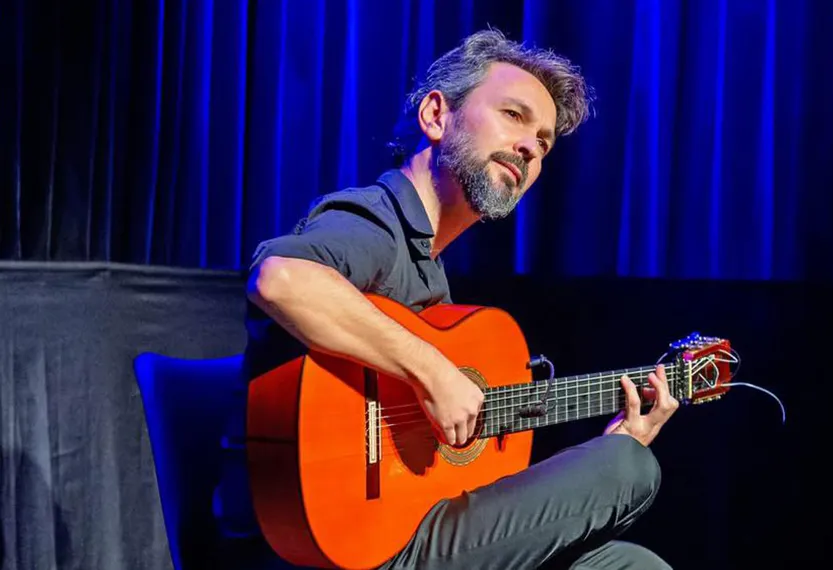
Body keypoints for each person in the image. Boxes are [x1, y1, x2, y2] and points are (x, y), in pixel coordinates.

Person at [215, 28, 678, 570]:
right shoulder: (377, 222)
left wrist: (615, 437)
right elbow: (281, 279)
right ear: (436, 116)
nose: (530, 147)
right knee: (626, 468)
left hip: (403, 530)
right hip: (328, 549)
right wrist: (432, 371)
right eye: (513, 115)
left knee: (629, 564)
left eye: (544, 142)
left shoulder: (431, 276)